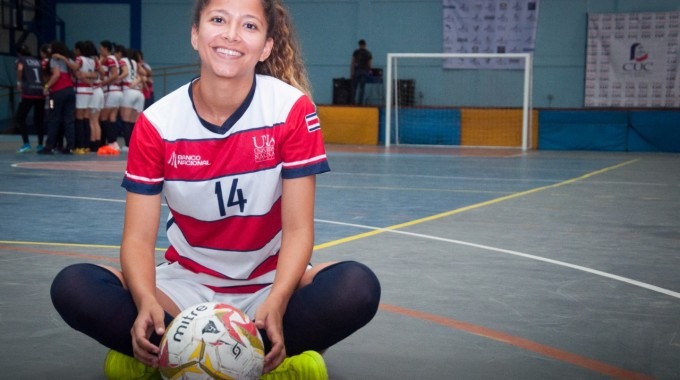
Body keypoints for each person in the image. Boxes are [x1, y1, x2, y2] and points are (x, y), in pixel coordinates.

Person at [50, 0, 381, 379]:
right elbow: (138, 240)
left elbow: (299, 230)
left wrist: (278, 299)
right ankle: (263, 357)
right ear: (195, 34)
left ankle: (178, 356)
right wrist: (144, 302)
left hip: (267, 280)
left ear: (267, 46)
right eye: (218, 19)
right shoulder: (157, 123)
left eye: (250, 26)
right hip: (186, 283)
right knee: (74, 286)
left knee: (356, 287)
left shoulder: (291, 109)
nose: (231, 34)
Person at [40, 41, 76, 154]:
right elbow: (75, 68)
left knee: (53, 118)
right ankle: (70, 145)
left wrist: (46, 86)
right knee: (69, 119)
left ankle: (50, 146)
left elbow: (56, 74)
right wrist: (65, 58)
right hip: (70, 91)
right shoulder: (68, 60)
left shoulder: (54, 60)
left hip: (57, 93)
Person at [14, 44, 46, 153]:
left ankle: (26, 144)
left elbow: (20, 69)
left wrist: (18, 83)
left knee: (20, 118)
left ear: (18, 53)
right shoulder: (37, 61)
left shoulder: (21, 60)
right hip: (40, 92)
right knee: (39, 119)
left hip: (28, 92)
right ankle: (40, 144)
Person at [350, 39, 372, 105]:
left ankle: (352, 101)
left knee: (354, 87)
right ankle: (360, 102)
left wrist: (352, 72)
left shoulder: (356, 52)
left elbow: (352, 63)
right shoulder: (368, 53)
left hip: (357, 71)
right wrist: (370, 71)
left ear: (359, 45)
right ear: (365, 45)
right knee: (362, 88)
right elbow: (369, 64)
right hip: (364, 71)